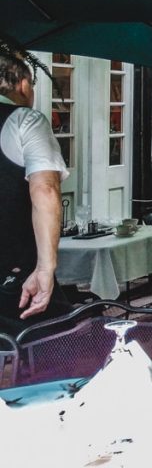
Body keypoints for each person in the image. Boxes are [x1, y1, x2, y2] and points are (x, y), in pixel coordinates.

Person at [0, 52, 69, 333]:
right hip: (13, 273)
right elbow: (45, 188)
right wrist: (45, 268)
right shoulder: (24, 120)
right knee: (62, 345)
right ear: (24, 86)